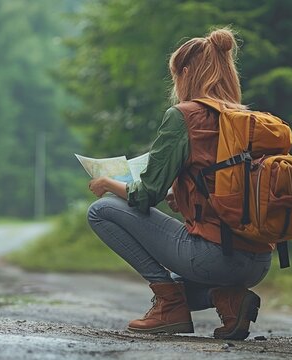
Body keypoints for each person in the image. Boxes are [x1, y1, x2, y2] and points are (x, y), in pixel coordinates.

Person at [86, 27, 272, 340]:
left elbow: (145, 196)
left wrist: (106, 182)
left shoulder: (184, 116)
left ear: (185, 72)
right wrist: (182, 195)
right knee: (180, 277)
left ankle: (169, 303)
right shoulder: (246, 119)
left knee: (101, 210)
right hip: (258, 262)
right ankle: (229, 299)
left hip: (215, 256)